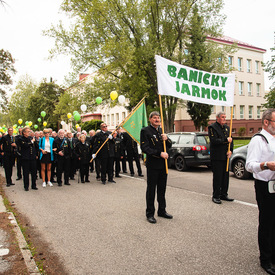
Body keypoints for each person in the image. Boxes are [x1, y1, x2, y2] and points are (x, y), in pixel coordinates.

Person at [246, 108, 275, 275]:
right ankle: (265, 260)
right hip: (265, 185)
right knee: (267, 222)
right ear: (266, 122)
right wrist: (265, 165)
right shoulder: (259, 140)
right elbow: (250, 165)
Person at [140, 111, 173, 224]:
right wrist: (159, 154)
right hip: (153, 165)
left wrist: (167, 139)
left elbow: (170, 145)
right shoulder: (145, 131)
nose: (157, 120)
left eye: (158, 118)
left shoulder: (161, 130)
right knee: (151, 189)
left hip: (163, 165)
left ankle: (162, 210)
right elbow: (145, 148)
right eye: (154, 118)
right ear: (150, 119)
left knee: (162, 188)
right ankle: (150, 213)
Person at [208, 111, 234, 204]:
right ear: (217, 118)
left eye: (225, 117)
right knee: (218, 177)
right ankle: (216, 195)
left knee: (225, 177)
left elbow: (231, 141)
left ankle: (224, 194)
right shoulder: (212, 127)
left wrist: (230, 150)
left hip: (226, 156)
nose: (224, 119)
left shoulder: (227, 128)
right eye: (222, 117)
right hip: (217, 157)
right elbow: (214, 140)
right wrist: (225, 140)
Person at [18, 127, 39, 191]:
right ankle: (26, 186)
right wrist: (32, 142)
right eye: (28, 131)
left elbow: (36, 146)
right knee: (26, 173)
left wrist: (36, 154)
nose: (29, 133)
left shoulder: (31, 138)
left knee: (34, 172)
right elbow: (25, 145)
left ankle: (34, 185)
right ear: (24, 132)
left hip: (32, 157)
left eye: (29, 132)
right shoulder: (21, 139)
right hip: (25, 158)